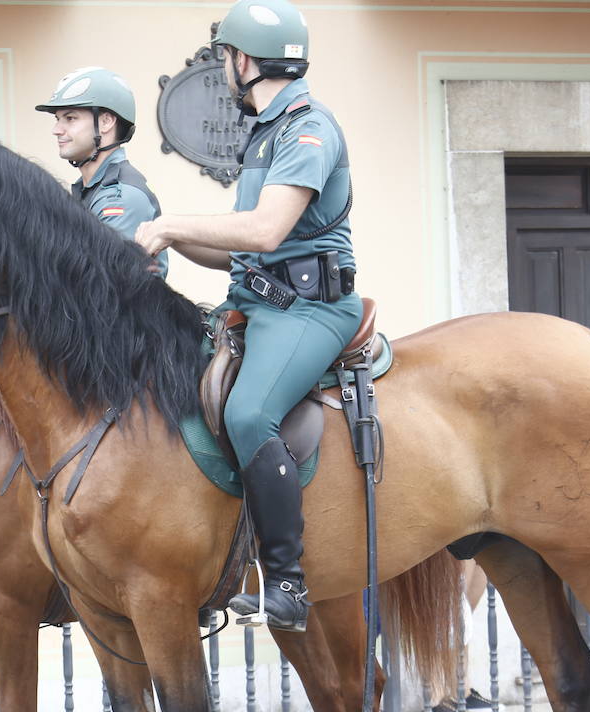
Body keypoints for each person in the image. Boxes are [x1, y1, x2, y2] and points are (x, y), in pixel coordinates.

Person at [135, 0, 359, 633]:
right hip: (256, 304)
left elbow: (264, 230)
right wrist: (168, 237)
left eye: (224, 59)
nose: (224, 71)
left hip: (311, 310)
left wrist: (174, 221)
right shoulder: (266, 133)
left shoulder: (308, 128)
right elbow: (234, 248)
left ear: (241, 61)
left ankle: (287, 582)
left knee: (248, 412)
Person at [36, 66, 170, 275]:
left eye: (70, 118)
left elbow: (105, 286)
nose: (57, 130)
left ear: (106, 122)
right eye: (58, 119)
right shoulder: (91, 190)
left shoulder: (120, 199)